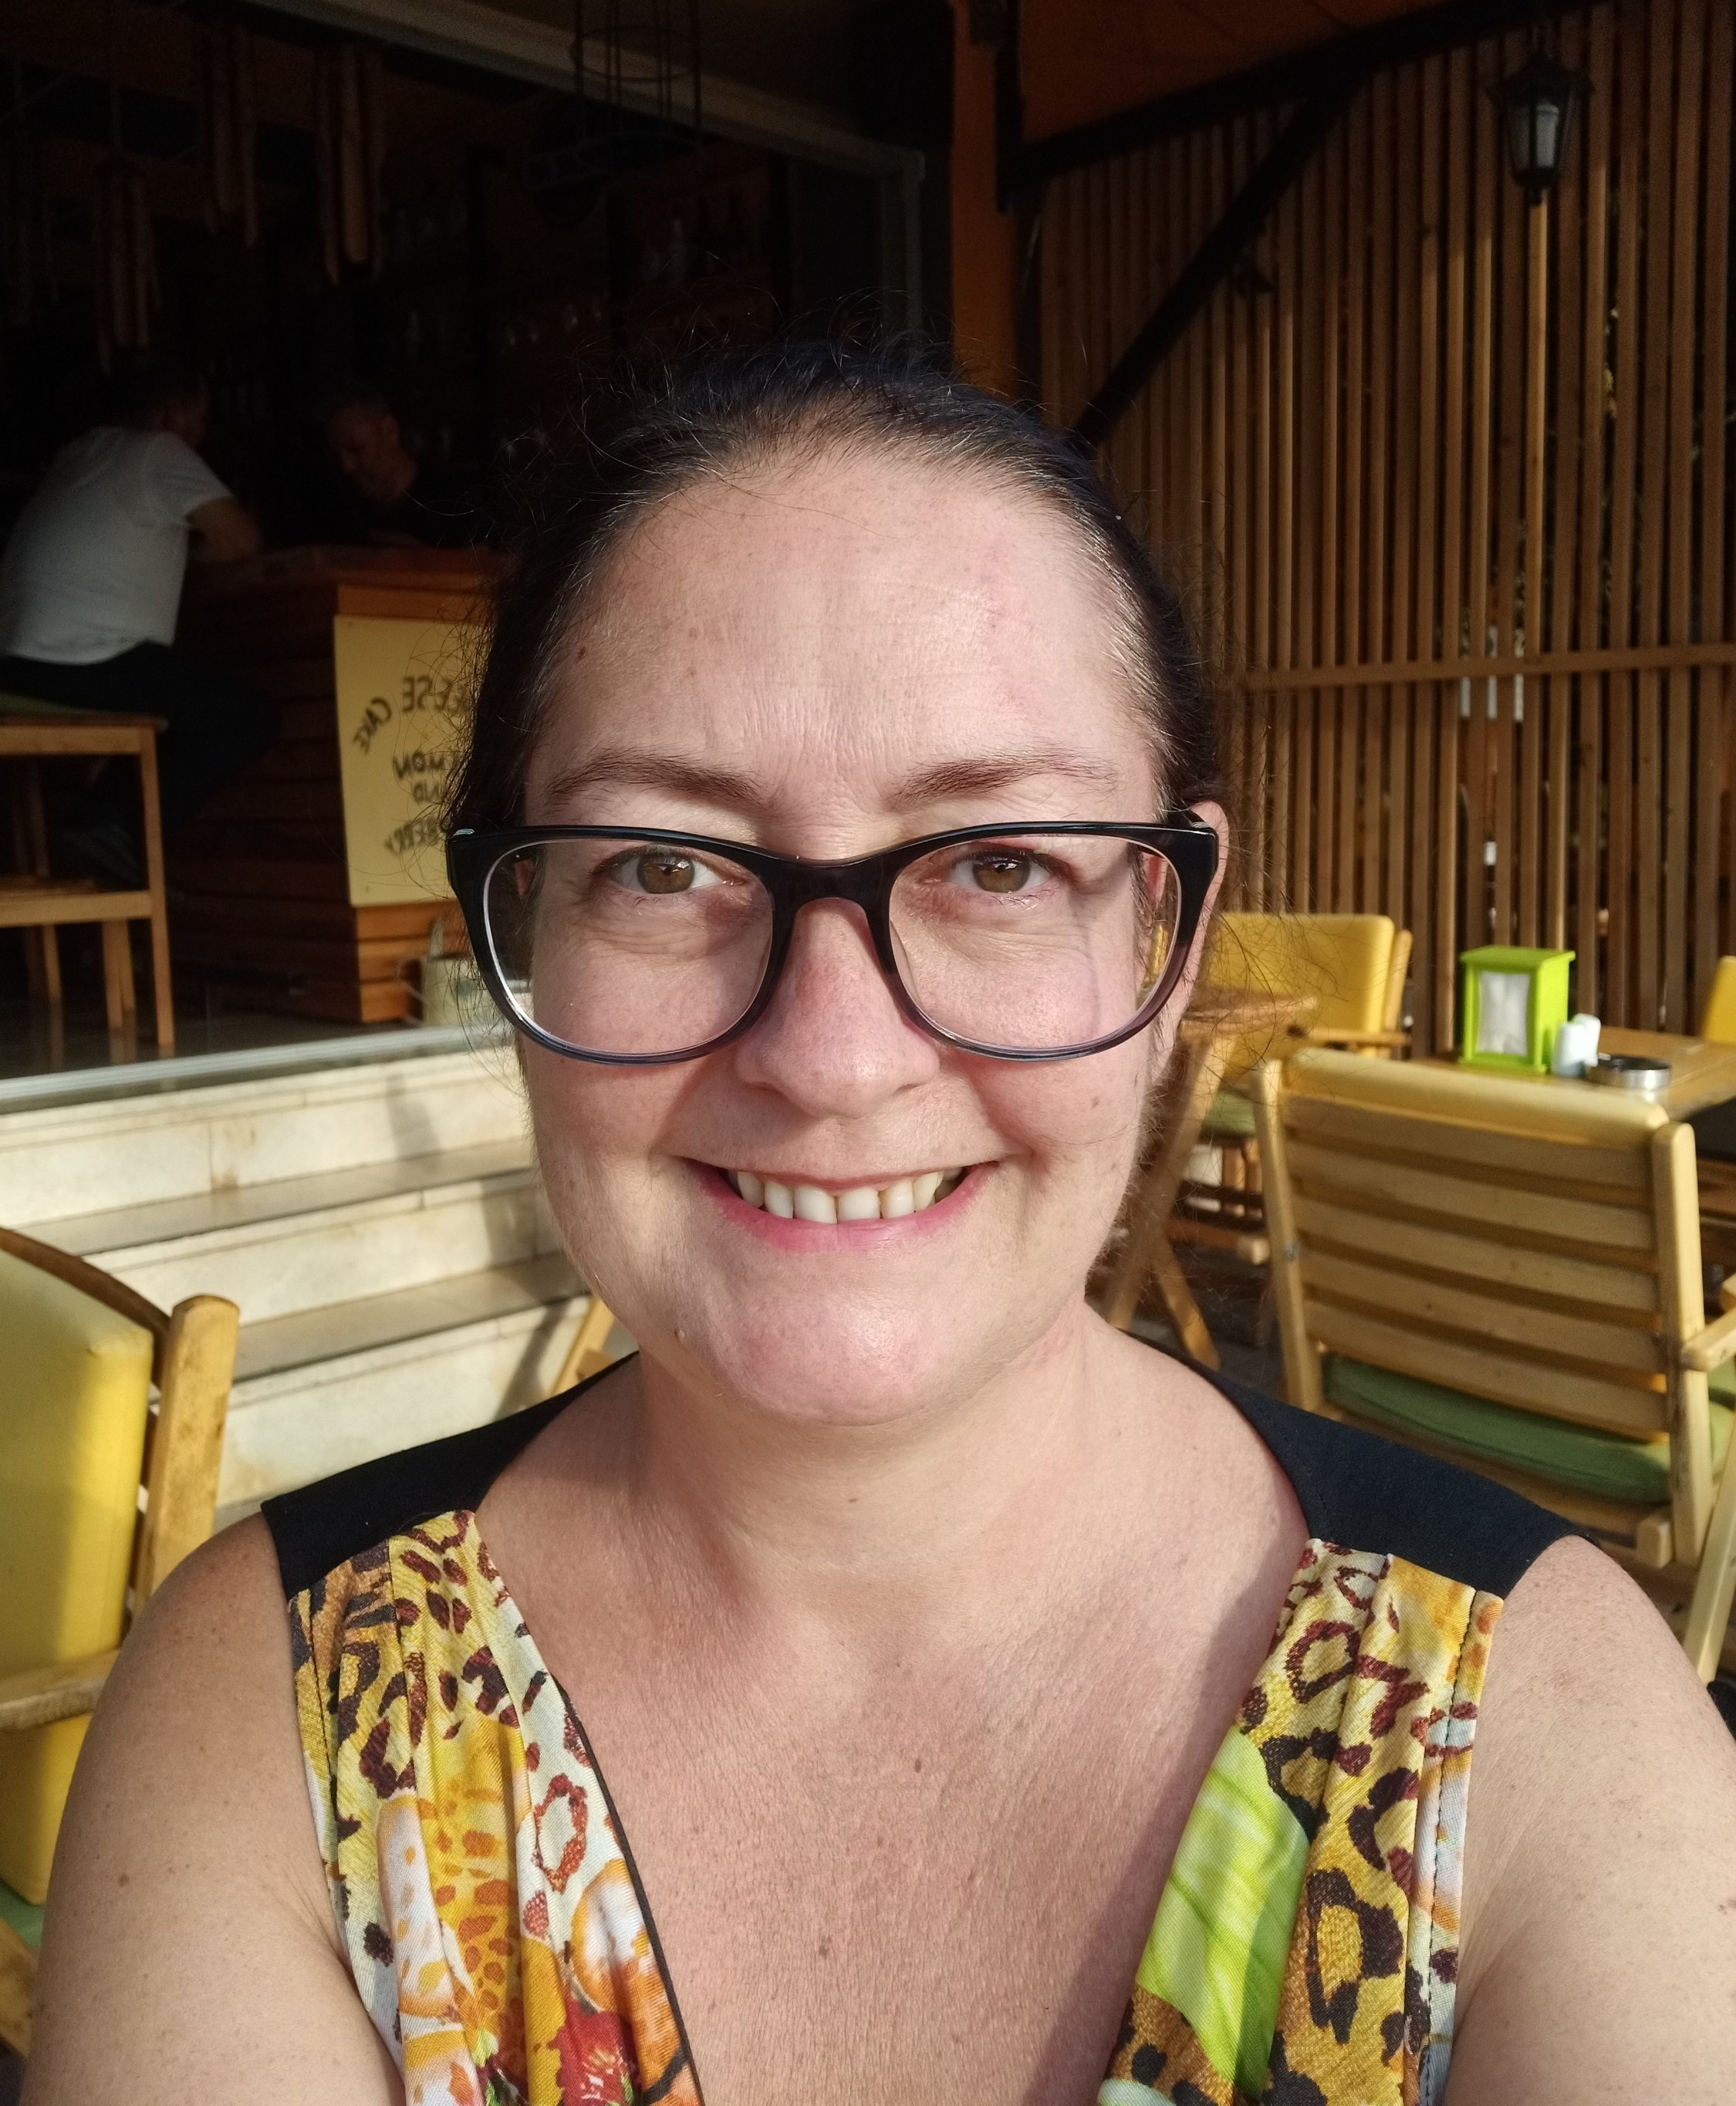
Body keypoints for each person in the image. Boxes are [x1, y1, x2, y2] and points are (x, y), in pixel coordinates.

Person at [24, 343, 1736, 2104]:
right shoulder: (274, 1714)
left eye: (998, 861)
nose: (832, 1059)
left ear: (1166, 944)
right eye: (663, 864)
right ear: (520, 932)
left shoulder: (1539, 1733)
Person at [0, 356, 272, 886]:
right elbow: (241, 539)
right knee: (248, 717)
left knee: (179, 707)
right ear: (171, 416)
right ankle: (110, 824)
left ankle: (105, 826)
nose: (203, 436)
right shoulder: (158, 450)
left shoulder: (76, 454)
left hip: (17, 666)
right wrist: (189, 560)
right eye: (200, 420)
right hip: (84, 661)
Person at [319, 379, 488, 549]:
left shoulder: (453, 503)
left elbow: (480, 561)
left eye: (356, 449)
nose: (346, 466)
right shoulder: (340, 508)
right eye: (335, 455)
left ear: (390, 430)